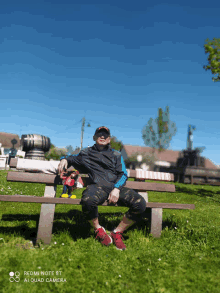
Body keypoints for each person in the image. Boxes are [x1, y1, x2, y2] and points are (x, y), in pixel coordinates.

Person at [58, 126, 146, 250]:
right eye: (100, 134)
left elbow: (123, 174)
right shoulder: (86, 153)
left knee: (140, 203)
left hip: (115, 187)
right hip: (97, 187)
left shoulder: (116, 154)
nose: (103, 137)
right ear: (94, 137)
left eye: (106, 135)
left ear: (109, 139)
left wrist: (116, 189)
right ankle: (98, 229)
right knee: (88, 201)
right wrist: (64, 159)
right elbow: (72, 157)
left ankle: (117, 232)